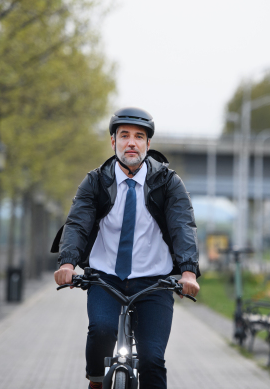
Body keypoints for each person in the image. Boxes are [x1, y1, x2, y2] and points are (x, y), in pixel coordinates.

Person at [52, 107, 200, 389]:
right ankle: (96, 381)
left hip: (153, 282)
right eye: (124, 136)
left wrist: (188, 272)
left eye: (139, 136)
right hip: (106, 278)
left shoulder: (168, 183)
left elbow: (183, 226)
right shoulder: (95, 181)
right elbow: (78, 223)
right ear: (113, 142)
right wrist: (68, 264)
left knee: (152, 360)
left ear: (148, 144)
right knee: (101, 330)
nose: (131, 142)